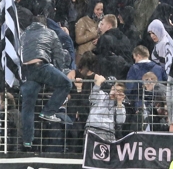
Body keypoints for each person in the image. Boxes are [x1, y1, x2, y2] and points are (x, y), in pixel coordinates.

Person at [20, 16, 73, 150]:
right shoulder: (50, 32)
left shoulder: (24, 34)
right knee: (66, 84)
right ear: (45, 25)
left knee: (28, 108)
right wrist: (61, 72)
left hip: (26, 71)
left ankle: (27, 141)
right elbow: (59, 55)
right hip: (41, 67)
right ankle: (48, 112)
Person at [85, 74, 126, 141]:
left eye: (118, 91)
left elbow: (120, 121)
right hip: (93, 128)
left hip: (109, 133)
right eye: (114, 89)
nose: (115, 92)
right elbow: (92, 99)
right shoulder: (101, 94)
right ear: (111, 88)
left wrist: (119, 103)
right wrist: (98, 83)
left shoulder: (120, 105)